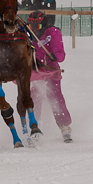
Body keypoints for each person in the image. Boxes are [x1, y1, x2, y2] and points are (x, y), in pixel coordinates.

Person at [27, 11, 72, 143]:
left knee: (54, 94)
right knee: (34, 95)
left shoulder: (53, 32)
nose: (34, 30)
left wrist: (54, 56)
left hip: (50, 68)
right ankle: (35, 127)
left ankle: (64, 125)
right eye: (32, 27)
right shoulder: (27, 34)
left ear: (45, 25)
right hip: (36, 70)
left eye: (38, 27)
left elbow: (61, 54)